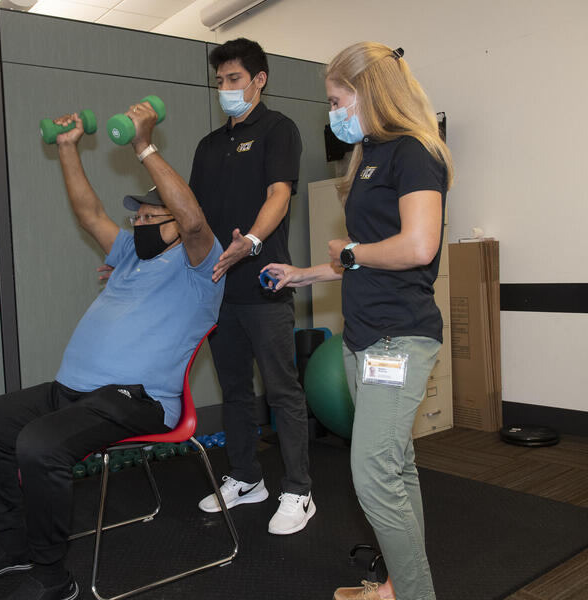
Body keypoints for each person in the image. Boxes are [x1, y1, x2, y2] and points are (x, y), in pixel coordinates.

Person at [0, 100, 224, 600]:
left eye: (152, 216)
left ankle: (53, 576)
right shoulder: (127, 256)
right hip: (73, 393)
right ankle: (13, 546)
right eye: (138, 216)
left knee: (38, 444)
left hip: (135, 399)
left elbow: (192, 222)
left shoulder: (202, 268)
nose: (140, 224)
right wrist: (67, 148)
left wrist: (144, 145)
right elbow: (89, 213)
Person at [262, 42, 453, 600]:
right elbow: (368, 255)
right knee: (397, 470)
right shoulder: (369, 156)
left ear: (368, 92)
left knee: (373, 478)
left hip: (399, 336)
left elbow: (417, 246)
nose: (333, 112)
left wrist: (348, 255)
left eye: (336, 99)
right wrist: (306, 273)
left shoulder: (414, 152)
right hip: (365, 337)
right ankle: (396, 586)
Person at [189, 37, 314, 536]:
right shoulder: (208, 145)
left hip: (263, 283)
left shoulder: (279, 130)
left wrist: (253, 241)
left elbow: (279, 195)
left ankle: (298, 490)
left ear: (259, 79)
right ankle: (246, 478)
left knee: (282, 389)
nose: (226, 89)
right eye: (220, 81)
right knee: (236, 390)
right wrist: (141, 261)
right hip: (220, 291)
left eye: (234, 79)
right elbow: (192, 219)